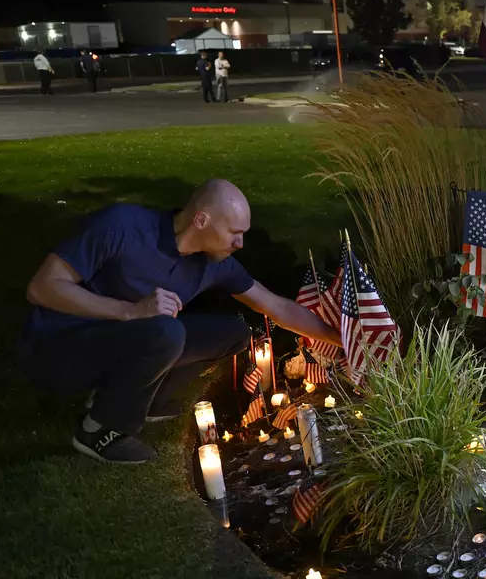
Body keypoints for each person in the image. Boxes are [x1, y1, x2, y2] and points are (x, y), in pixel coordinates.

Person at [18, 179, 342, 464]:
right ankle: (100, 431)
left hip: (122, 342)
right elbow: (42, 287)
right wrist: (129, 311)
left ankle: (143, 400)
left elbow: (276, 307)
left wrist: (341, 338)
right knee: (166, 332)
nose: (241, 243)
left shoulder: (213, 263)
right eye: (235, 233)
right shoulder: (122, 225)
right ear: (201, 220)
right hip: (60, 347)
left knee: (234, 333)